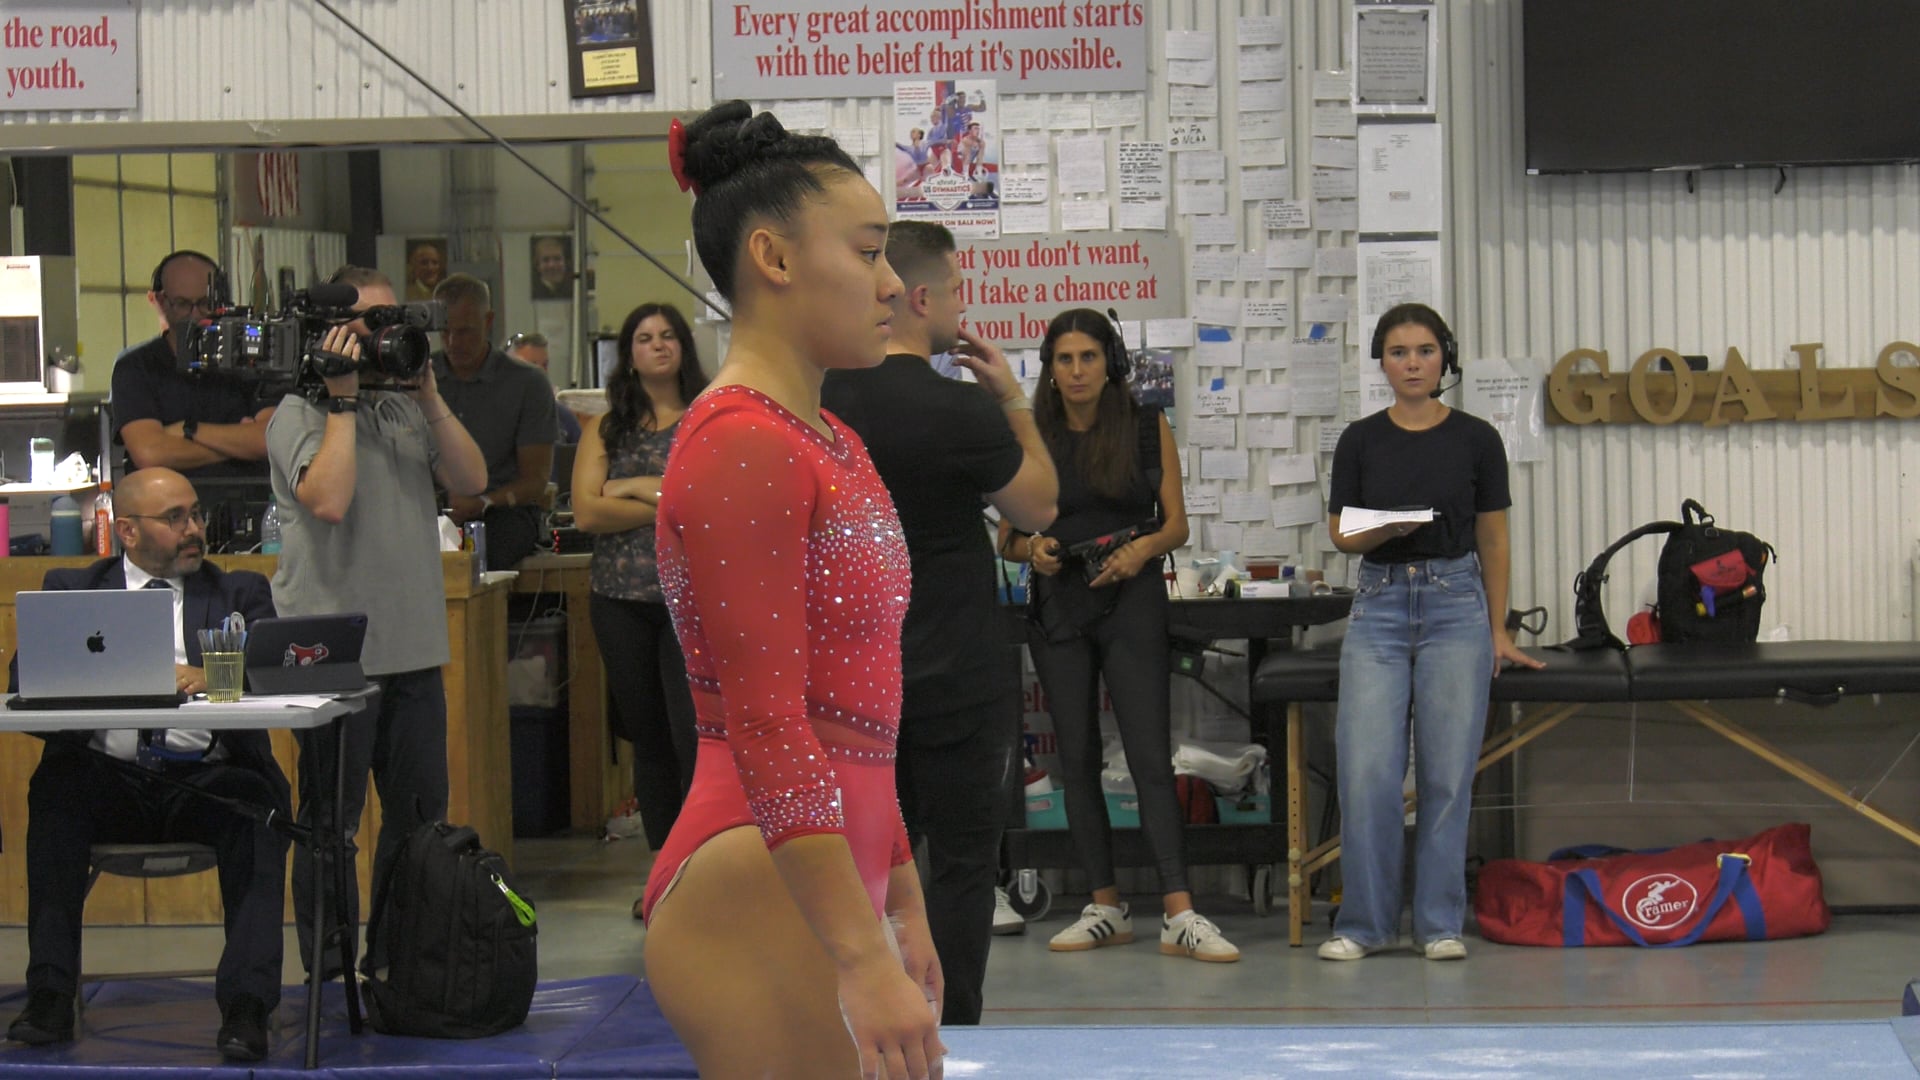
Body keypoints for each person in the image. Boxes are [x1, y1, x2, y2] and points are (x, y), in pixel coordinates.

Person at [639, 100, 945, 1080]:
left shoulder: (831, 442)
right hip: (758, 869)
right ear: (773, 259)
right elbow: (772, 725)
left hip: (827, 864)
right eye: (867, 253)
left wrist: (900, 900)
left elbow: (867, 703)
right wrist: (861, 949)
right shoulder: (741, 445)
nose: (894, 285)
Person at [821, 220, 1057, 1025]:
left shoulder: (822, 400)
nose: (962, 303)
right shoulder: (960, 409)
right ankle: (954, 1030)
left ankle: (859, 1022)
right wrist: (1012, 402)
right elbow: (1040, 506)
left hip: (854, 673)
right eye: (956, 289)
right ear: (922, 298)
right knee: (960, 864)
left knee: (862, 861)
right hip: (958, 667)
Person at [5, 467, 287, 1061]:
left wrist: (208, 678)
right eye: (176, 518)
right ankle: (52, 996)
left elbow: (274, 671)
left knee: (258, 803)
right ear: (127, 532)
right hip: (109, 779)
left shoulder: (237, 593)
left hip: (205, 778)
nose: (194, 530)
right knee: (56, 790)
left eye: (195, 515)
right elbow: (22, 684)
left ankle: (246, 1008)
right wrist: (113, 683)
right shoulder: (73, 590)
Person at [998, 308, 1240, 964]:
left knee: (1147, 755)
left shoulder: (1143, 426)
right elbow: (1008, 535)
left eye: (1089, 358)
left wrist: (1141, 552)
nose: (1076, 371)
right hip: (1059, 606)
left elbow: (1176, 525)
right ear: (1050, 368)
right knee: (1074, 756)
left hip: (1130, 595)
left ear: (1112, 366)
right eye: (1064, 359)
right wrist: (1034, 549)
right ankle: (1105, 905)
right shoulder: (1034, 434)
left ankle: (1178, 912)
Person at [266, 266, 488, 979]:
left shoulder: (400, 410)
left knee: (418, 823)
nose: (387, 335)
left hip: (413, 646)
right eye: (371, 322)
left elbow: (472, 482)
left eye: (396, 320)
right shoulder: (296, 415)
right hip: (330, 651)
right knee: (330, 828)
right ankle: (330, 976)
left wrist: (427, 392)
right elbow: (327, 500)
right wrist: (339, 402)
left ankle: (397, 959)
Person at [1319, 302, 1545, 963]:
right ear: (1381, 362)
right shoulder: (1361, 440)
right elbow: (1342, 532)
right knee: (1368, 772)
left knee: (1448, 774)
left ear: (1444, 357)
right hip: (1381, 606)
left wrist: (1498, 629)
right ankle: (1362, 923)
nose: (1412, 363)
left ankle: (1440, 921)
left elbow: (1494, 536)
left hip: (1456, 605)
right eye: (1398, 351)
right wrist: (1390, 524)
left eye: (1423, 350)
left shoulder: (1476, 438)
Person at [571, 302, 707, 917]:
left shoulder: (708, 416)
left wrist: (626, 486)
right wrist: (662, 497)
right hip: (620, 600)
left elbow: (704, 506)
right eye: (644, 338)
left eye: (668, 336)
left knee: (691, 738)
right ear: (628, 353)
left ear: (683, 346)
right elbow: (588, 513)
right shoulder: (605, 428)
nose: (658, 346)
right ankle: (665, 875)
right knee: (647, 742)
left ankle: (703, 870)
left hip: (692, 602)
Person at [432, 273, 561, 569]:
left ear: (488, 321)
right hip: (432, 512)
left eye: (465, 332)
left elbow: (536, 480)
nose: (454, 343)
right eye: (445, 332)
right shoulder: (420, 378)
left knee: (491, 554)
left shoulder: (527, 384)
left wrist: (484, 502)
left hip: (501, 513)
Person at [112, 250, 277, 479]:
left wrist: (188, 430)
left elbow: (269, 440)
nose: (196, 314)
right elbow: (149, 453)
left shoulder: (251, 361)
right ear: (160, 301)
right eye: (182, 304)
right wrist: (238, 446)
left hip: (247, 502)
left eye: (205, 303)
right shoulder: (135, 368)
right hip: (167, 506)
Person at [506, 331, 582, 443]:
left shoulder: (561, 416)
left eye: (544, 365)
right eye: (532, 365)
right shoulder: (498, 415)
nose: (541, 372)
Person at [531, 235, 573, 300]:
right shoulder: (535, 292)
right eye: (546, 260)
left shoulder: (573, 290)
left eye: (557, 258)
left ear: (565, 263)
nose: (552, 265)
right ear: (538, 266)